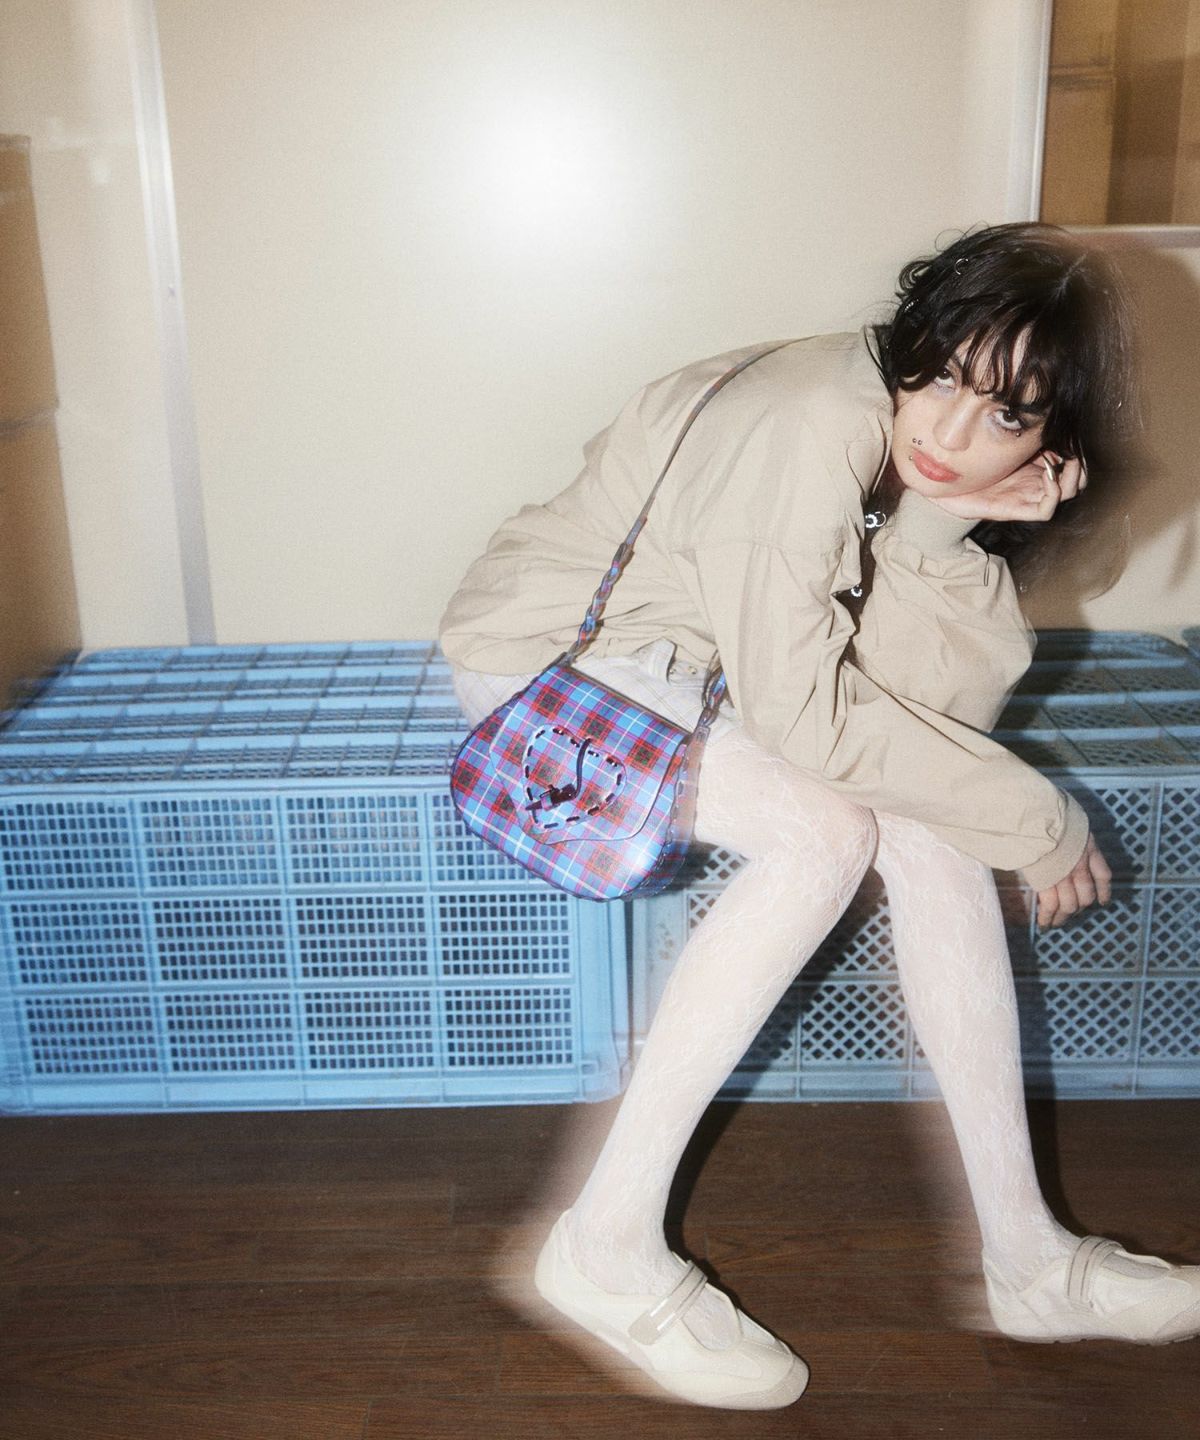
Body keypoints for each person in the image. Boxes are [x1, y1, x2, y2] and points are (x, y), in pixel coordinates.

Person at [438, 223, 1200, 1410]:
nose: (951, 431)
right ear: (921, 337)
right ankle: (604, 1243)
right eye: (948, 375)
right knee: (825, 835)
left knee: (931, 828)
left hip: (674, 667)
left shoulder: (872, 412)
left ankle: (1030, 1262)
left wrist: (944, 522)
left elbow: (925, 701)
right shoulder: (811, 428)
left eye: (1005, 413)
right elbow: (815, 722)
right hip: (555, 670)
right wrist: (1035, 813)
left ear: (1053, 441)